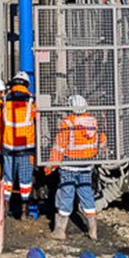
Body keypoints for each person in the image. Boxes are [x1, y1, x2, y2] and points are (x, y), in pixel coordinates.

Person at [46, 94, 105, 239]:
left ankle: (60, 231)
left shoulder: (67, 123)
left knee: (65, 194)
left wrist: (50, 166)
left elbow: (59, 147)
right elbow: (102, 141)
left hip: (69, 166)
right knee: (86, 193)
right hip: (86, 165)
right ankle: (93, 230)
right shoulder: (93, 121)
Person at [1, 72, 38, 219]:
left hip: (8, 145)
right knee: (25, 180)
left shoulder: (5, 99)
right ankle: (24, 211)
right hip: (25, 147)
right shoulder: (31, 100)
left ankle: (4, 210)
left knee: (8, 179)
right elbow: (35, 117)